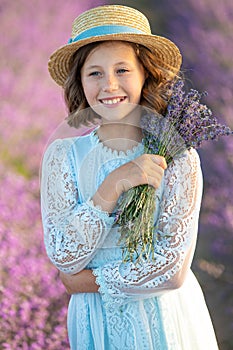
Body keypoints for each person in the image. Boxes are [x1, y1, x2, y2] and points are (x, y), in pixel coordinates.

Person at [41, 4, 219, 350]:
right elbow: (64, 256)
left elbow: (172, 269)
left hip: (162, 318)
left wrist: (88, 281)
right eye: (94, 73)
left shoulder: (178, 157)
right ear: (79, 81)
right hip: (96, 321)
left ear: (145, 76)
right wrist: (113, 185)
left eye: (122, 70)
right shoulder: (63, 157)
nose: (109, 85)